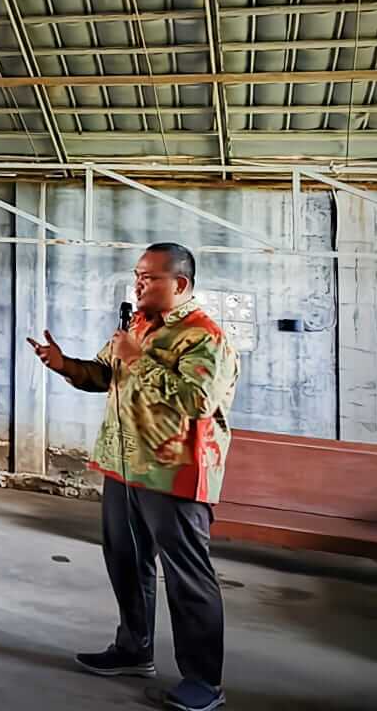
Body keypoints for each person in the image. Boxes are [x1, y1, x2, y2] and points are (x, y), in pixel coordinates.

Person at [28, 243, 239, 711]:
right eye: (137, 275)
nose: (138, 283)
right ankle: (133, 648)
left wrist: (138, 357)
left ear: (179, 284)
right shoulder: (137, 326)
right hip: (124, 467)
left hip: (176, 475)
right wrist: (64, 364)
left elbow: (196, 401)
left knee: (187, 577)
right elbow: (105, 374)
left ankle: (204, 682)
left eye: (149, 277)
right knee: (126, 561)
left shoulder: (204, 337)